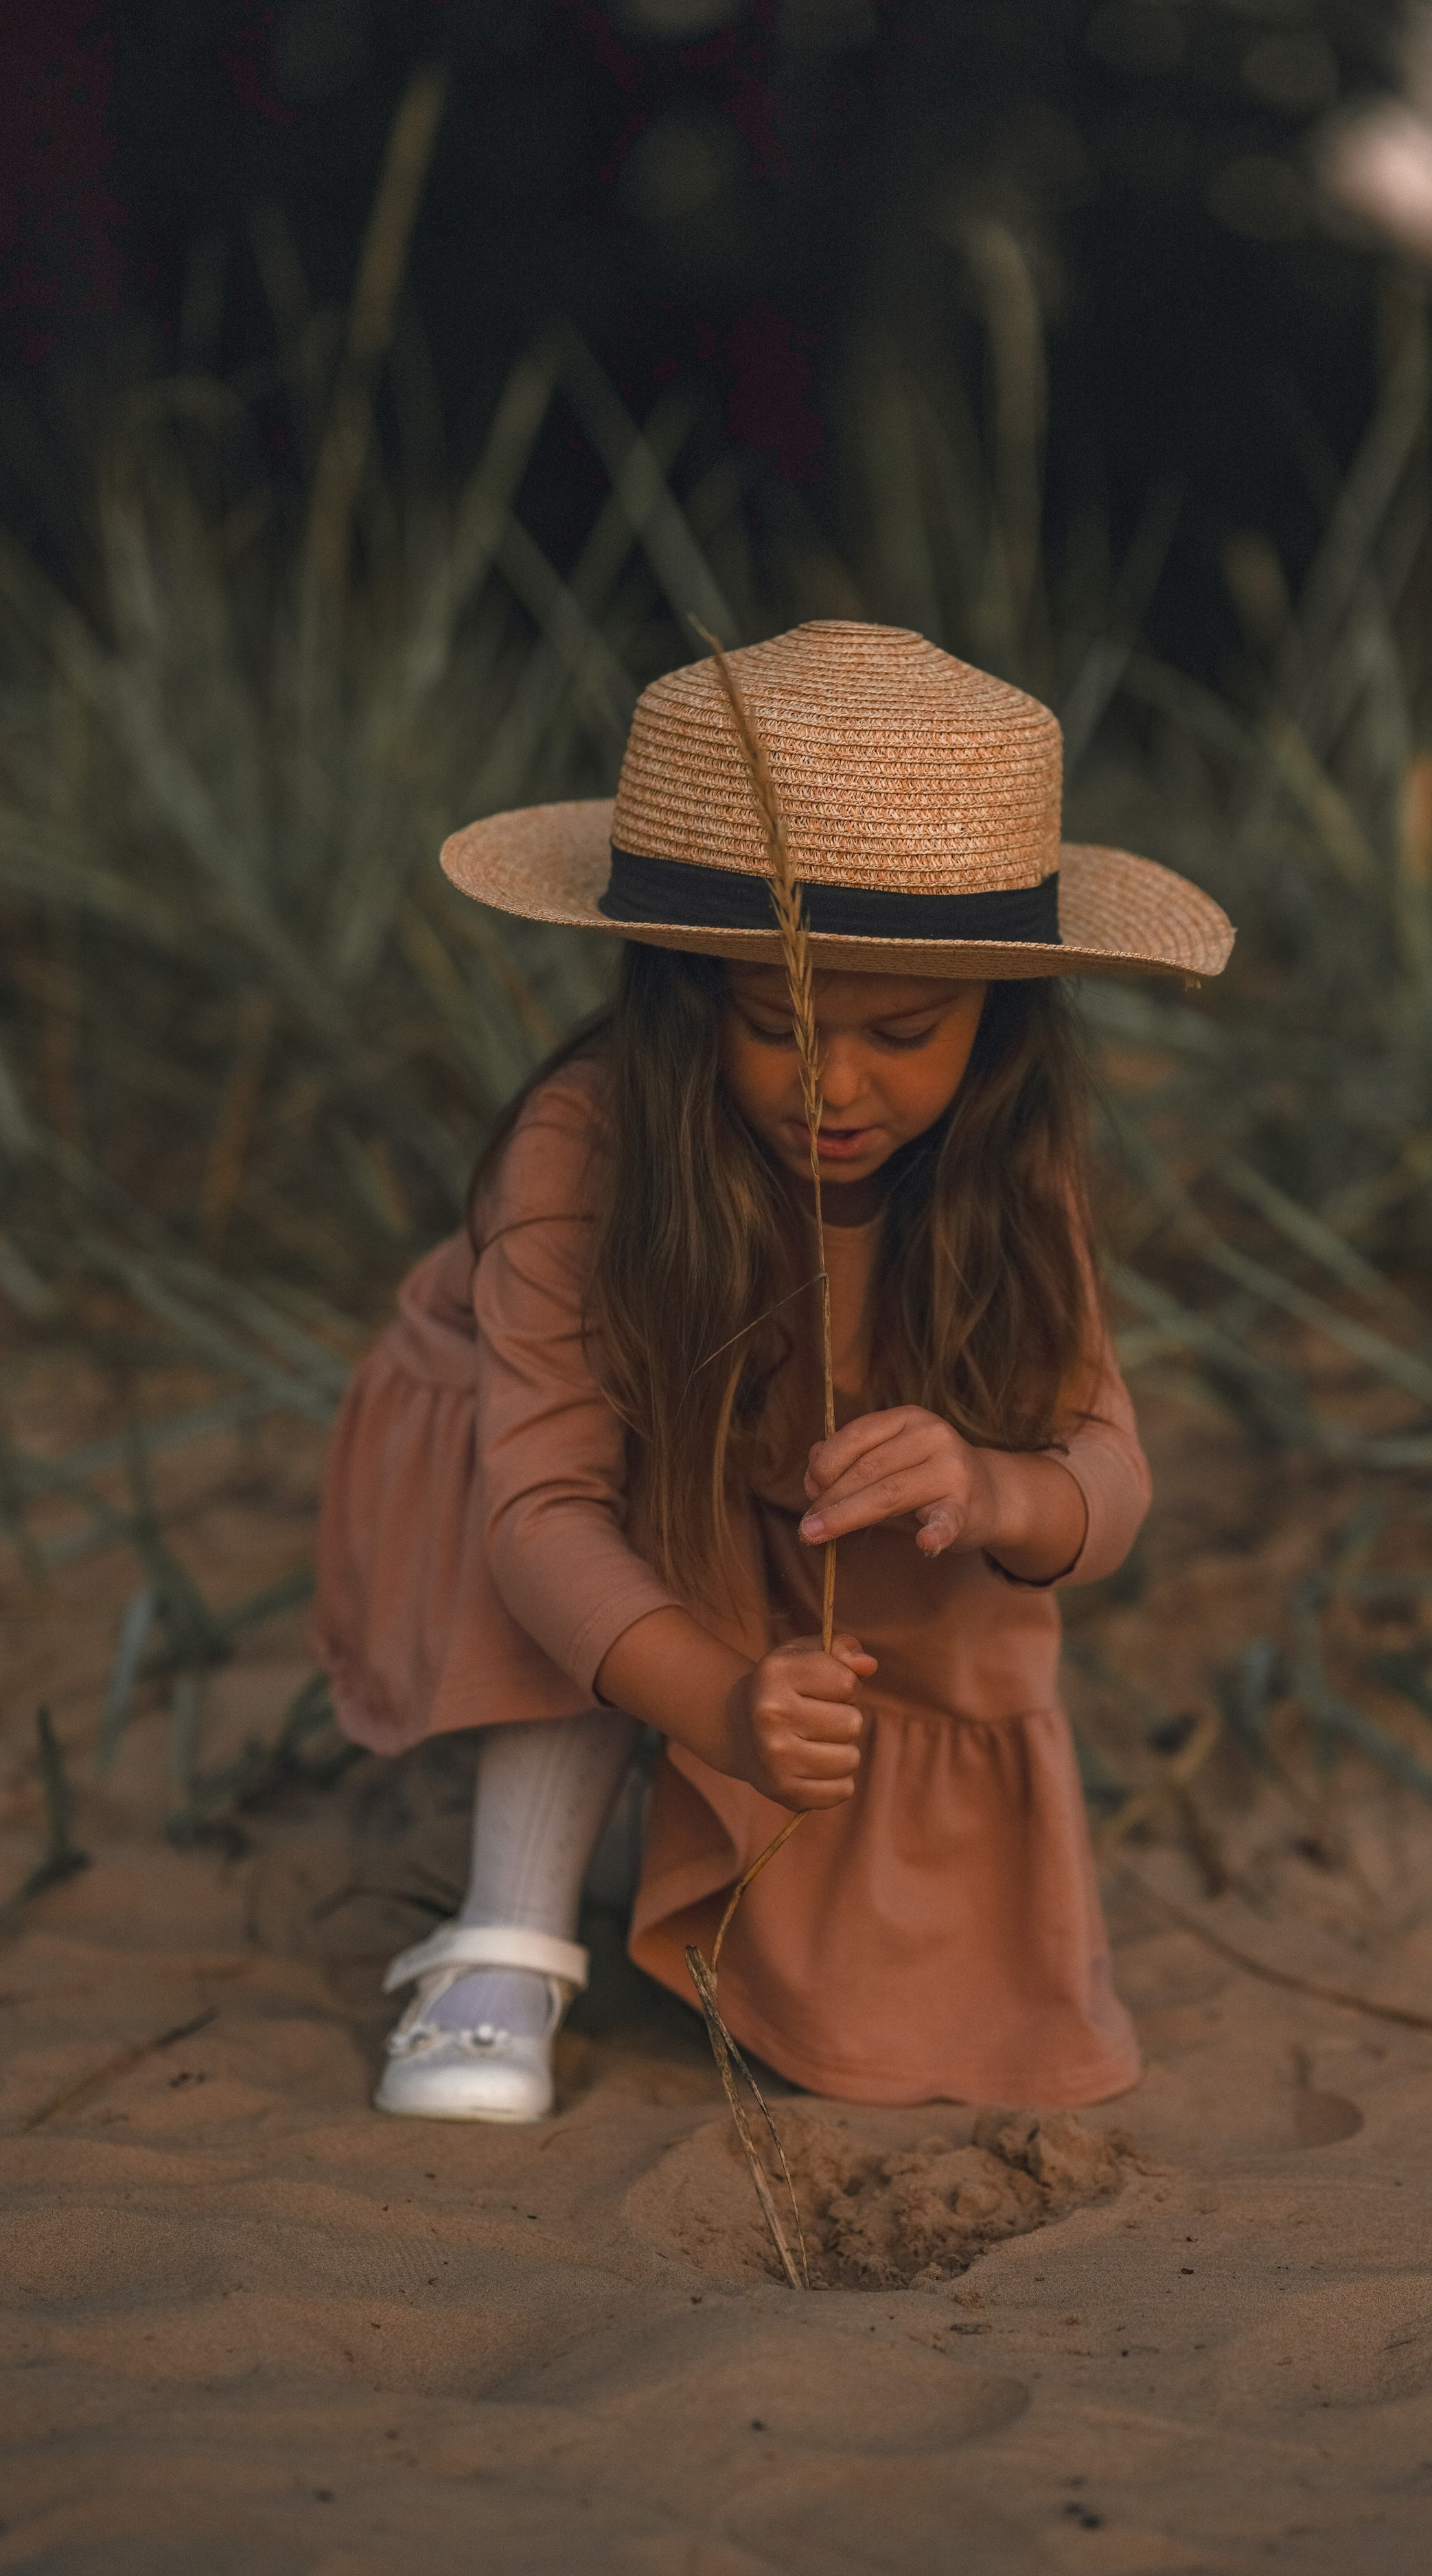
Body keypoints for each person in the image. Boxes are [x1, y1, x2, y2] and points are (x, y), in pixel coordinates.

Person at [313, 620, 1233, 2124]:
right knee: (603, 1550)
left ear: (1001, 1021)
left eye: (906, 1031)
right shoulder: (585, 1147)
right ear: (683, 1000)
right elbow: (540, 1513)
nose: (836, 1087)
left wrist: (992, 1488)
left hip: (800, 1496)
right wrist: (719, 1710)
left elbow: (1107, 1481)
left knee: (902, 2004)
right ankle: (504, 1940)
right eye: (773, 1024)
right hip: (563, 1477)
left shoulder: (1011, 1162)